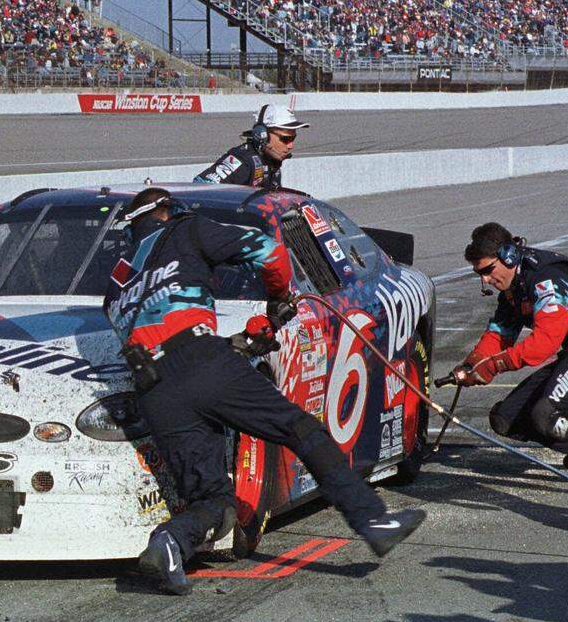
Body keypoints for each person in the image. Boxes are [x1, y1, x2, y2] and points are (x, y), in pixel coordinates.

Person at [103, 187, 425, 595]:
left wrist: (233, 345)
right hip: (201, 360)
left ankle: (169, 542)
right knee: (300, 430)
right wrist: (278, 299)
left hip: (155, 389)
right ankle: (373, 521)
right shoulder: (185, 229)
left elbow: (153, 332)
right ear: (166, 212)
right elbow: (272, 254)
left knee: (213, 502)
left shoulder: (116, 283)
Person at [453, 222, 568, 534]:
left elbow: (543, 345)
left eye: (488, 270)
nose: (486, 280)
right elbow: (499, 334)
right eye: (479, 274)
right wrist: (472, 365)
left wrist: (492, 367)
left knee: (548, 414)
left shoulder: (546, 278)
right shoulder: (513, 289)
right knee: (506, 419)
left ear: (507, 255)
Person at [193, 104, 309, 188]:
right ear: (263, 135)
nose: (290, 146)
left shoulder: (272, 163)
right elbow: (198, 190)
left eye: (293, 139)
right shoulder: (243, 160)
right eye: (285, 139)